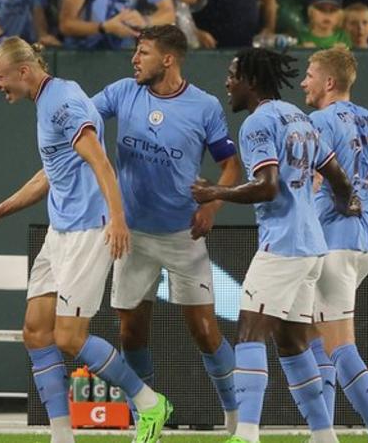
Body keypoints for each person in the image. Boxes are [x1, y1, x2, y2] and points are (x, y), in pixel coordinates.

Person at [0, 36, 172, 443]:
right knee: (36, 331)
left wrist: (118, 220)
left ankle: (148, 402)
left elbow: (100, 161)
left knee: (69, 337)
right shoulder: (48, 101)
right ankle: (61, 436)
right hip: (60, 232)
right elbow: (50, 175)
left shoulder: (62, 103)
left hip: (89, 230)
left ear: (23, 71)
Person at [191, 47, 360, 443]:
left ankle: (246, 433)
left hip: (283, 246)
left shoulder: (256, 124)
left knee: (249, 331)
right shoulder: (298, 117)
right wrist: (346, 204)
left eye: (233, 75)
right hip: (312, 247)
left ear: (251, 81)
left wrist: (215, 190)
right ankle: (324, 435)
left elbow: (267, 187)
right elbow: (337, 176)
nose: (227, 82)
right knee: (292, 342)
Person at [90, 24, 241, 434]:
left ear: (168, 59)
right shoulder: (123, 92)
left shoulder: (205, 106)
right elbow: (82, 119)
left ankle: (235, 419)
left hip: (181, 236)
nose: (134, 60)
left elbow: (231, 165)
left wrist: (212, 204)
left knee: (206, 331)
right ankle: (147, 419)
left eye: (143, 53)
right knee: (130, 331)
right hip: (132, 234)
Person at [300, 46, 368, 443]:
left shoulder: (320, 121)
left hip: (333, 240)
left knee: (339, 344)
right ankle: (322, 432)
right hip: (367, 242)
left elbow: (315, 178)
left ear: (329, 82)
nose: (303, 82)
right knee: (315, 329)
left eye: (310, 74)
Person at [59, 0, 175, 50]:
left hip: (123, 53)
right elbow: (66, 24)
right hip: (81, 54)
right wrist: (104, 27)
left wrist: (145, 21)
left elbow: (168, 14)